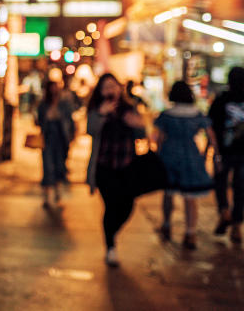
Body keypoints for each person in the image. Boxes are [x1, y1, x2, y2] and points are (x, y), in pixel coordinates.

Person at [86, 73, 146, 266]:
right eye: (106, 87)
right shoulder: (97, 109)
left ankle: (111, 232)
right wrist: (102, 114)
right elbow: (90, 130)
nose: (110, 90)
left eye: (113, 86)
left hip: (127, 166)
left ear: (120, 88)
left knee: (127, 206)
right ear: (100, 91)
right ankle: (110, 247)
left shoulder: (130, 108)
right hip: (104, 167)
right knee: (111, 206)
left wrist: (138, 125)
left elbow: (141, 133)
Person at [154, 81, 217, 250]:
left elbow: (158, 137)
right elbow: (211, 137)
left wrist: (158, 155)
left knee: (168, 193)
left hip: (169, 154)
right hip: (191, 155)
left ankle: (166, 224)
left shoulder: (167, 115)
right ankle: (190, 233)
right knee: (190, 197)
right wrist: (207, 155)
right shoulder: (197, 114)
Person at [209, 66, 244, 243]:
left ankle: (224, 211)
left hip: (224, 151)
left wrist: (211, 151)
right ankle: (237, 226)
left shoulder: (221, 99)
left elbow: (211, 128)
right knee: (240, 188)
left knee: (220, 183)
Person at [38, 80, 70, 207]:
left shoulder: (63, 103)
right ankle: (47, 196)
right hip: (48, 139)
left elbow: (69, 119)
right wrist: (48, 117)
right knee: (47, 166)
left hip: (61, 139)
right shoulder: (44, 104)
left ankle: (57, 193)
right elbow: (39, 120)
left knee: (59, 165)